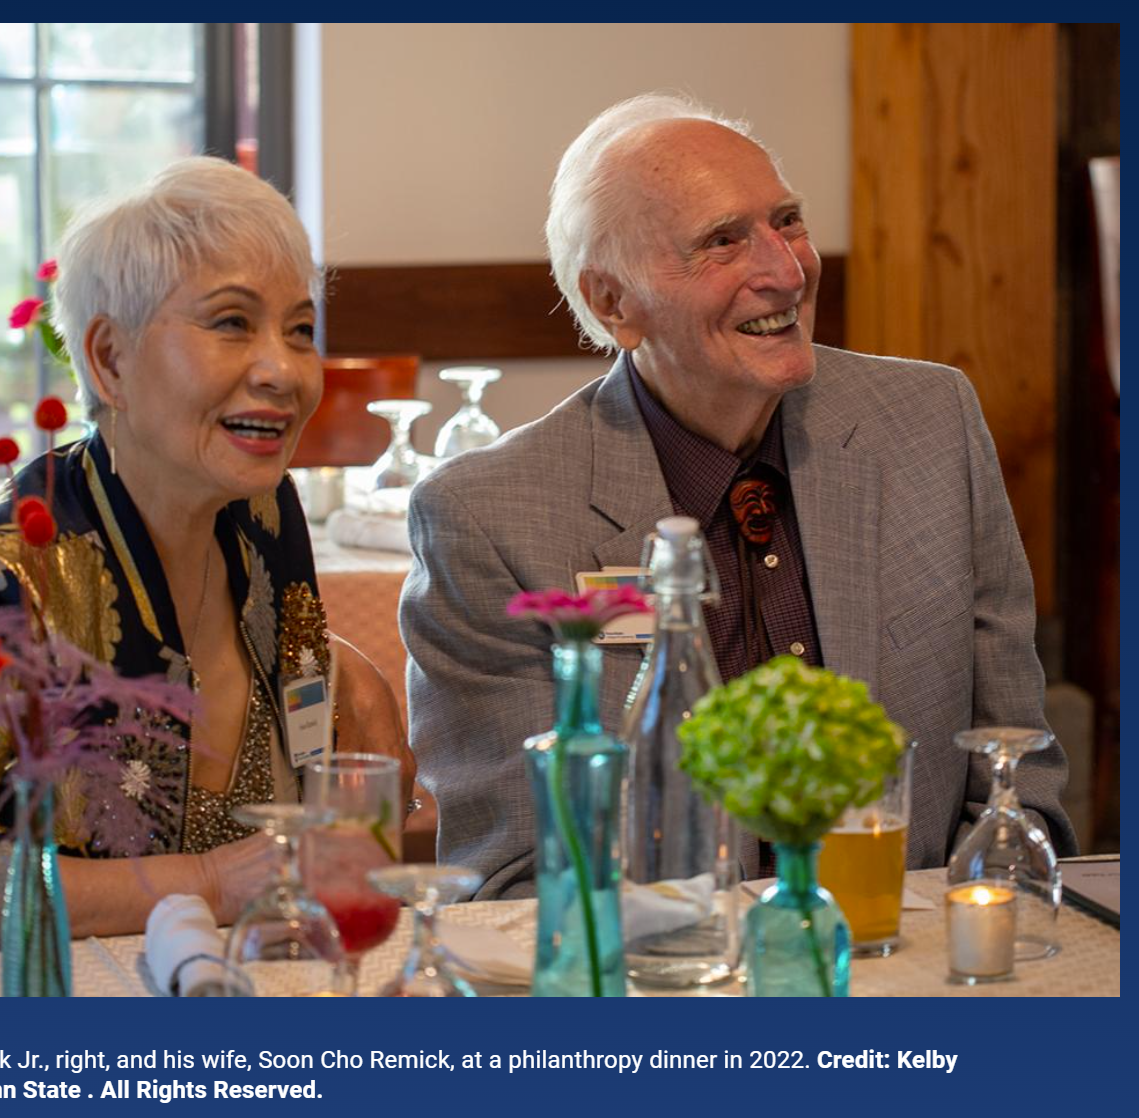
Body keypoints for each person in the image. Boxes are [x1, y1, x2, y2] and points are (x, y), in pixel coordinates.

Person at [400, 93, 1076, 899]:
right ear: (614, 302)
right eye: (723, 242)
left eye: (786, 221)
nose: (788, 271)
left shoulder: (929, 424)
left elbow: (1014, 773)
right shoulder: (489, 517)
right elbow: (518, 873)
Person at [0, 156, 413, 947]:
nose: (284, 370)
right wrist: (211, 883)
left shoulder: (264, 514)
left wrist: (349, 670)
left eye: (300, 329)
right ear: (109, 359)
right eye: (231, 322)